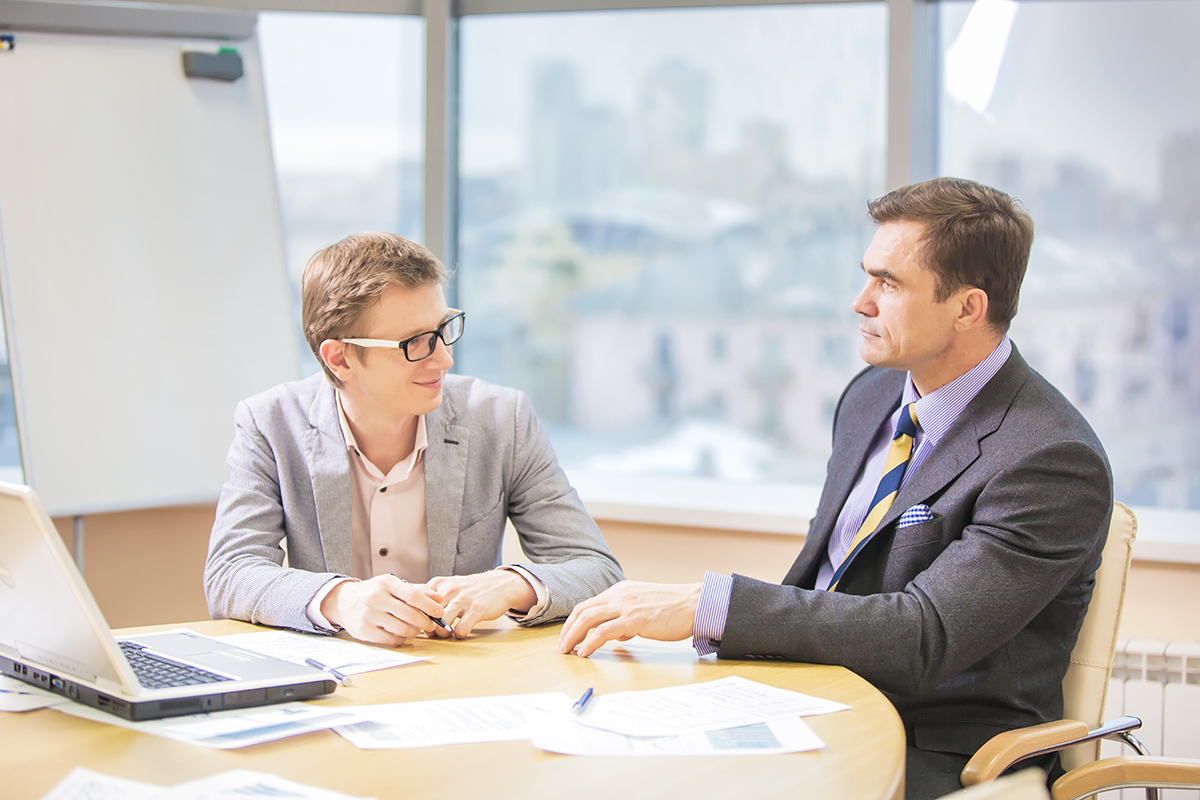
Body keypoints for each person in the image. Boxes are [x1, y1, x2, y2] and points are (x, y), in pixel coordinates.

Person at [558, 178, 1113, 800]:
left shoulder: (1050, 458)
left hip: (936, 746)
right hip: (807, 702)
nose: (860, 301)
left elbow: (922, 636)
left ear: (967, 308)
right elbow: (834, 582)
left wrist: (708, 605)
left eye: (890, 284)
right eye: (867, 276)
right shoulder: (871, 396)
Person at [205, 232, 623, 646]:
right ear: (340, 357)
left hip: (462, 680)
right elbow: (230, 573)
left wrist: (511, 584)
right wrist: (340, 599)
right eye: (415, 342)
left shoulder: (500, 418)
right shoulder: (271, 423)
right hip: (336, 684)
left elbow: (597, 570)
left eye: (443, 329)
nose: (444, 357)